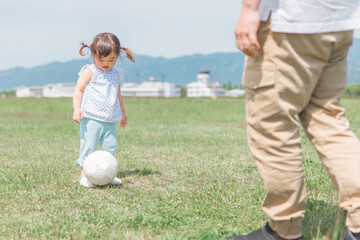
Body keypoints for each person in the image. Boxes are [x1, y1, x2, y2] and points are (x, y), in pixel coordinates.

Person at [229, 0, 360, 239]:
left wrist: (249, 9)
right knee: (328, 119)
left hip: (290, 22)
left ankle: (284, 228)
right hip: (340, 19)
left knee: (273, 124)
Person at [73, 32, 135, 188]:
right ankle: (84, 175)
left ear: (117, 56)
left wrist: (122, 112)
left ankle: (108, 174)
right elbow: (78, 90)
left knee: (110, 146)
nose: (106, 63)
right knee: (88, 145)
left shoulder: (115, 74)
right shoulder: (90, 71)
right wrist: (76, 108)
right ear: (93, 53)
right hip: (92, 117)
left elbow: (118, 94)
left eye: (111, 59)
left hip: (109, 119)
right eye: (101, 59)